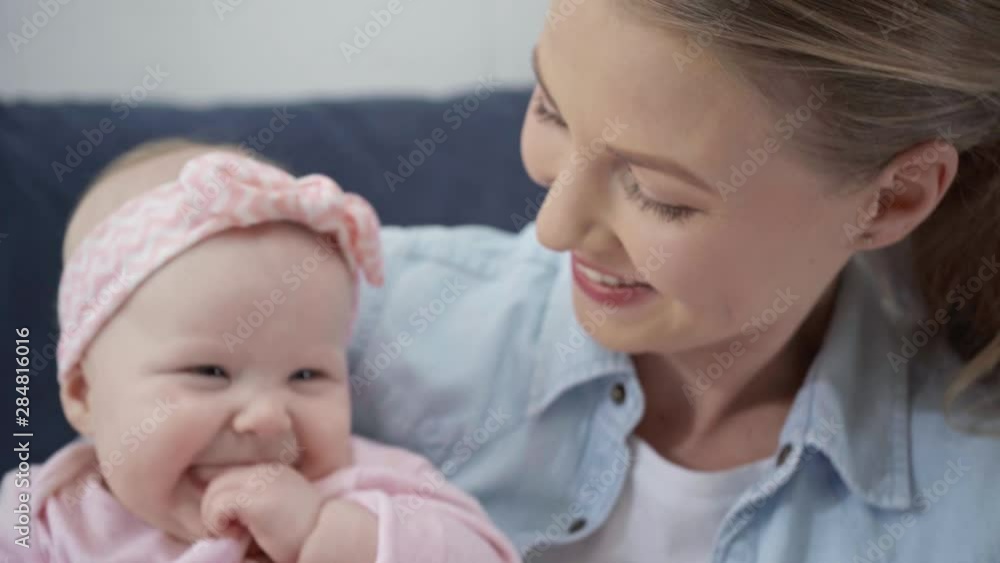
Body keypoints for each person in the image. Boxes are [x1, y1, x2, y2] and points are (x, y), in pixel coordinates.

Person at [347, 1, 1000, 561]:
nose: (553, 227)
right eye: (550, 110)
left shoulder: (970, 511)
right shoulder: (345, 327)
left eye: (656, 193)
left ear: (893, 200)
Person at [0, 142, 519, 563]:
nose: (268, 417)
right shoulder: (44, 515)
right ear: (84, 393)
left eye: (307, 375)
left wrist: (324, 534)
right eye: (210, 371)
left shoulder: (372, 491)